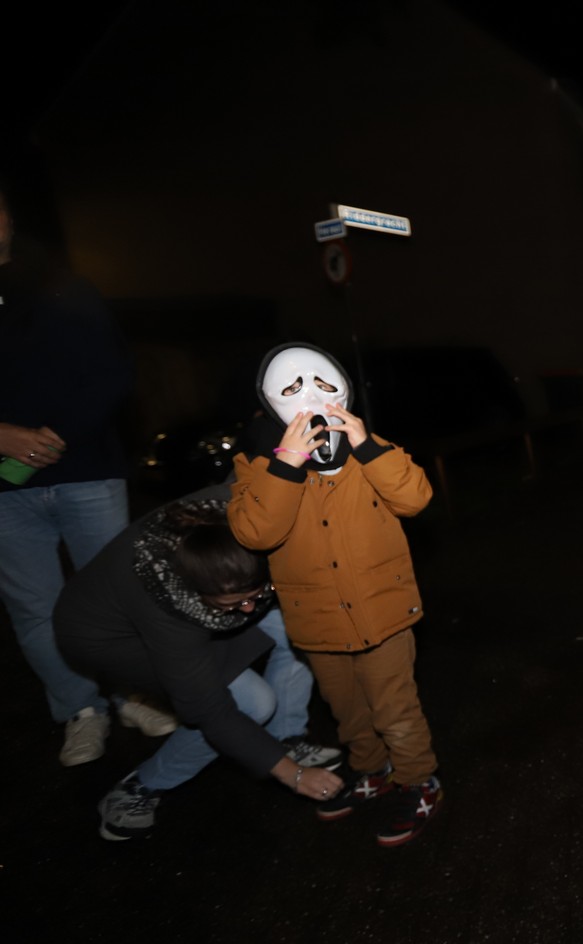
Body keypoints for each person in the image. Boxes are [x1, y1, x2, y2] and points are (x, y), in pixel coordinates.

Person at [227, 342, 443, 848]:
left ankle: (418, 781)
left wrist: (367, 448)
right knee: (346, 709)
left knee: (394, 708)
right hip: (317, 616)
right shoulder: (257, 465)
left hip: (382, 609)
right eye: (290, 388)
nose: (309, 397)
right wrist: (287, 464)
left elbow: (415, 498)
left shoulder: (372, 449)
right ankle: (372, 769)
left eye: (323, 384)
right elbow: (255, 531)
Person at [0, 180, 179, 766]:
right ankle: (80, 710)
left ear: (9, 218)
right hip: (4, 489)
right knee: (35, 609)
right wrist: (4, 438)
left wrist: (52, 437)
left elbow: (113, 371)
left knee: (117, 594)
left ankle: (132, 694)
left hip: (87, 472)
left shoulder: (65, 287)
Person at [53, 488, 345, 840]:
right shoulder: (169, 607)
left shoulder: (245, 517)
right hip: (110, 637)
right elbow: (207, 709)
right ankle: (141, 786)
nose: (249, 609)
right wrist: (291, 775)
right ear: (199, 595)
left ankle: (284, 736)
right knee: (253, 703)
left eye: (254, 597)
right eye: (236, 603)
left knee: (303, 630)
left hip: (202, 598)